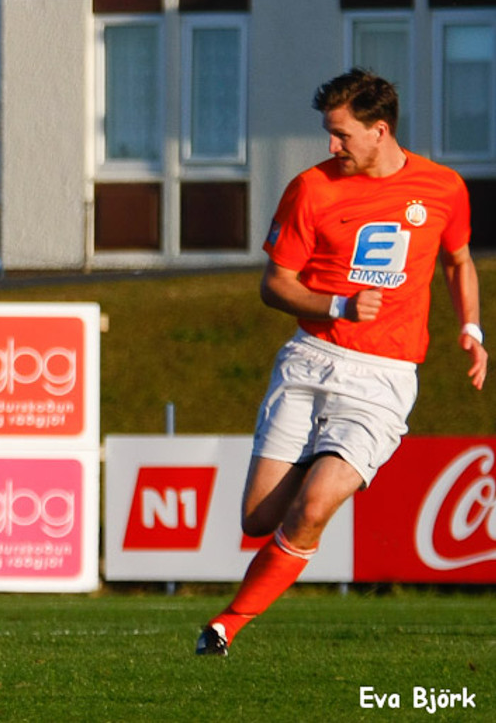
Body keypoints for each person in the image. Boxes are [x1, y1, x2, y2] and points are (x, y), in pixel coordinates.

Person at [195, 68, 487, 657]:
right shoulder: (310, 189)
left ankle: (226, 626)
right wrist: (338, 304)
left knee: (313, 508)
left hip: (383, 380)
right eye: (328, 133)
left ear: (380, 130)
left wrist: (471, 328)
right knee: (257, 519)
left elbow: (458, 260)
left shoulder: (443, 187)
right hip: (310, 363)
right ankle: (314, 458)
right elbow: (274, 284)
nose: (331, 145)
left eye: (342, 134)